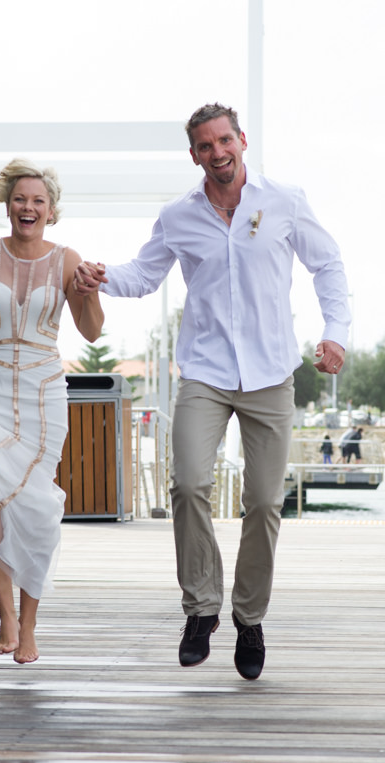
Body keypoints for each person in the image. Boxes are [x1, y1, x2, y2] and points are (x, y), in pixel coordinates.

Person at [73, 102, 350, 680]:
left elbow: (328, 266)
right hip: (203, 371)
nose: (217, 153)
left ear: (242, 140)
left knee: (265, 502)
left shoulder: (284, 201)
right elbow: (145, 275)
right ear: (194, 154)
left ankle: (249, 618)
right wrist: (102, 275)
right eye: (205, 145)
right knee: (190, 483)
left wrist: (335, 334)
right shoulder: (179, 215)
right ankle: (201, 608)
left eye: (225, 140)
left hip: (271, 372)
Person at [0, 158, 104, 665]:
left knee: (34, 508)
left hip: (41, 392)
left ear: (51, 212)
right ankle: (5, 613)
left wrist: (90, 293)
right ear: (7, 205)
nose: (27, 207)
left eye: (38, 201)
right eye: (19, 199)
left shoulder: (68, 260)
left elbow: (91, 330)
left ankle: (30, 626)